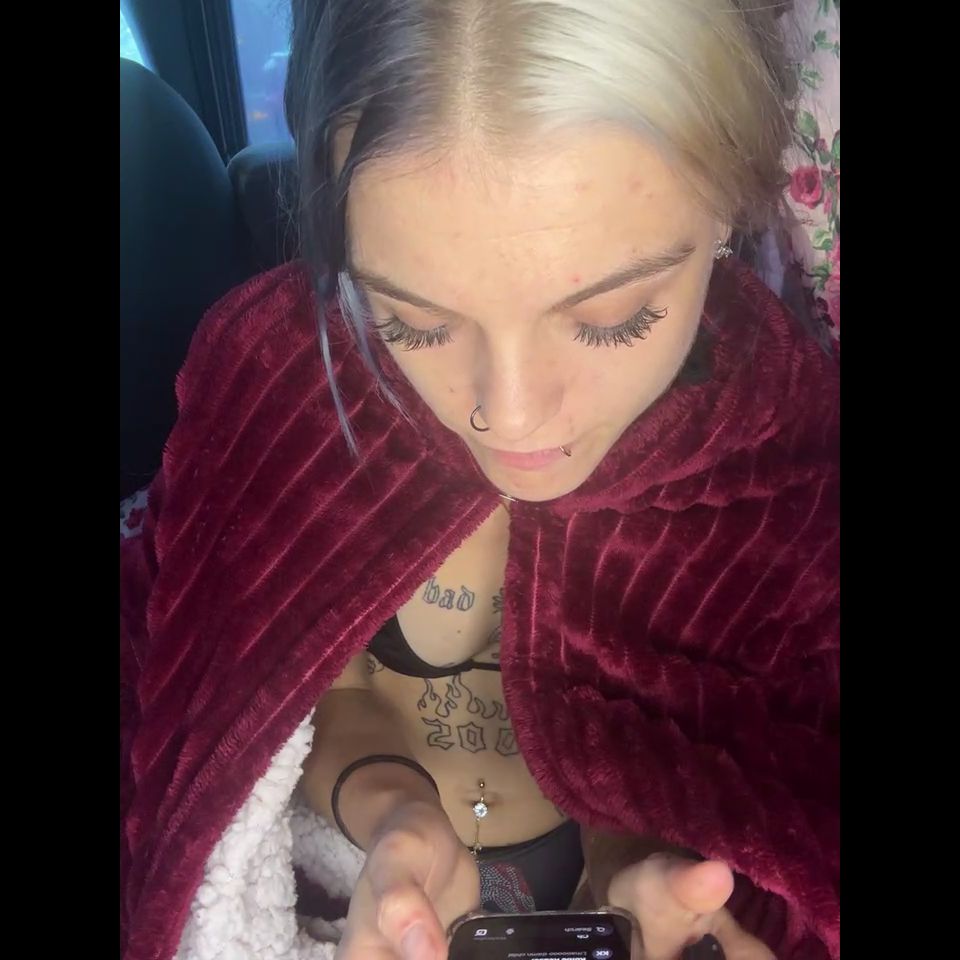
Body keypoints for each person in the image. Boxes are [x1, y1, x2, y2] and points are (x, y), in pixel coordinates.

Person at [120, 2, 839, 959]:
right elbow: (230, 694)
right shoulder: (272, 378)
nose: (511, 418)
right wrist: (392, 815)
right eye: (413, 321)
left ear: (728, 206)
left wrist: (653, 865)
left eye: (614, 318)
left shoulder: (775, 432)